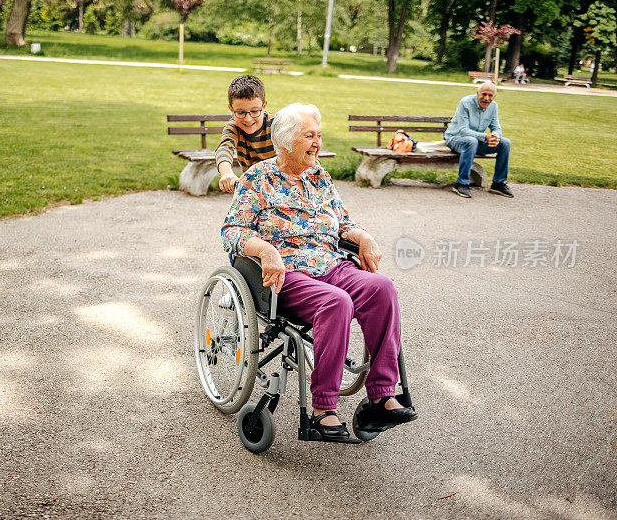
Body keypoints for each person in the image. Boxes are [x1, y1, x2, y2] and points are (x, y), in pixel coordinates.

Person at [222, 103, 417, 442]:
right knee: (337, 303)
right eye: (309, 135)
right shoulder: (258, 178)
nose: (317, 142)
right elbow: (232, 230)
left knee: (382, 287)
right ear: (285, 141)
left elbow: (342, 221)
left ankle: (381, 396)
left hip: (330, 265)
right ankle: (322, 409)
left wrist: (363, 237)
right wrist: (266, 250)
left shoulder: (319, 175)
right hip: (287, 275)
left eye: (318, 135)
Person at [444, 82, 514, 199]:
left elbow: (496, 127)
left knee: (505, 143)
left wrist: (495, 137)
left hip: (476, 142)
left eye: (490, 95)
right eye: (484, 94)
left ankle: (498, 183)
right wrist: (485, 137)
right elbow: (463, 130)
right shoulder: (465, 103)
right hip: (456, 139)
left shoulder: (493, 106)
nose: (486, 98)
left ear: (494, 97)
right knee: (471, 141)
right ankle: (461, 184)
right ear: (477, 94)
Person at [215, 75, 276, 193]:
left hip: (284, 189)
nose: (248, 119)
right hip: (253, 190)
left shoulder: (277, 125)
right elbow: (224, 148)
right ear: (231, 109)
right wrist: (226, 173)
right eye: (240, 112)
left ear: (264, 106)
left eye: (254, 111)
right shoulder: (233, 128)